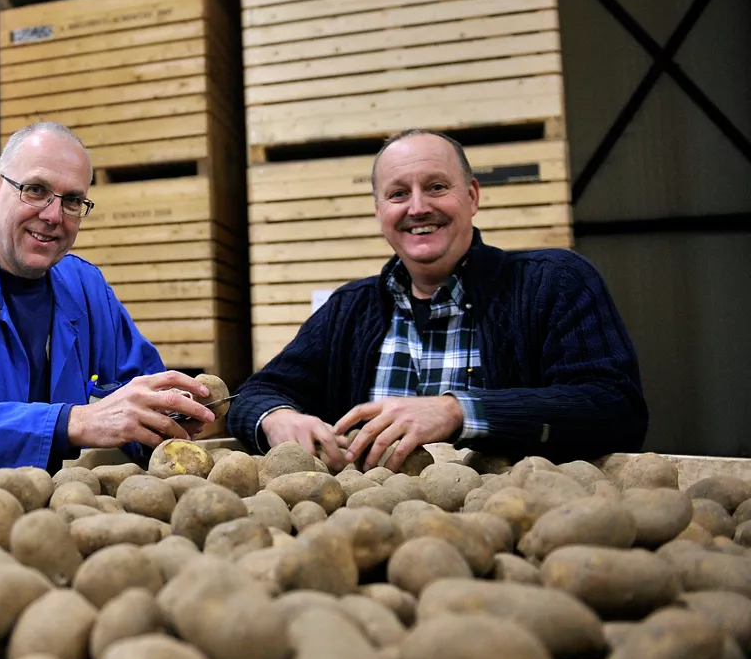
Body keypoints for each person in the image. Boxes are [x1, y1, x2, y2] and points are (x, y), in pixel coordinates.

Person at [228, 129, 647, 471]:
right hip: (377, 526)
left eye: (437, 187)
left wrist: (458, 412)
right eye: (398, 194)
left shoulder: (554, 282)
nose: (418, 207)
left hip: (514, 521)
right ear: (379, 212)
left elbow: (615, 408)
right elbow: (253, 394)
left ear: (472, 196)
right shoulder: (348, 309)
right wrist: (276, 418)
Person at [0, 121, 216, 479]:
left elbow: (139, 389)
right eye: (35, 190)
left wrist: (171, 414)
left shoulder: (87, 288)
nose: (53, 216)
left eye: (72, 201)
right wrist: (71, 423)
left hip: (67, 506)